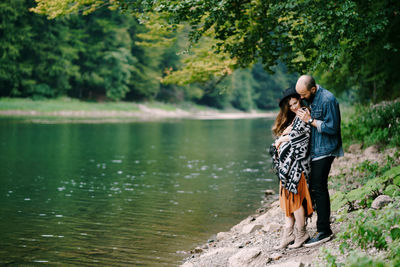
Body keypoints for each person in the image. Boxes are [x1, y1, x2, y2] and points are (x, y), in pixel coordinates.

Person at [295, 75, 343, 247]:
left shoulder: (328, 99)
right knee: (314, 188)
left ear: (313, 89)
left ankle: (324, 231)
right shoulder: (312, 97)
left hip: (326, 149)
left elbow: (332, 128)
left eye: (303, 94)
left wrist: (310, 120)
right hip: (315, 150)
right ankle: (320, 227)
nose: (301, 97)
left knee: (319, 188)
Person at [270, 87, 314, 249]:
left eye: (295, 103)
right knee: (288, 201)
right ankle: (288, 235)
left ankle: (302, 234)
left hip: (297, 167)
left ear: (300, 100)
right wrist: (283, 137)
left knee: (295, 200)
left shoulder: (304, 114)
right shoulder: (294, 118)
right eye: (290, 105)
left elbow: (305, 137)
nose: (294, 107)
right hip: (287, 168)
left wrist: (284, 138)